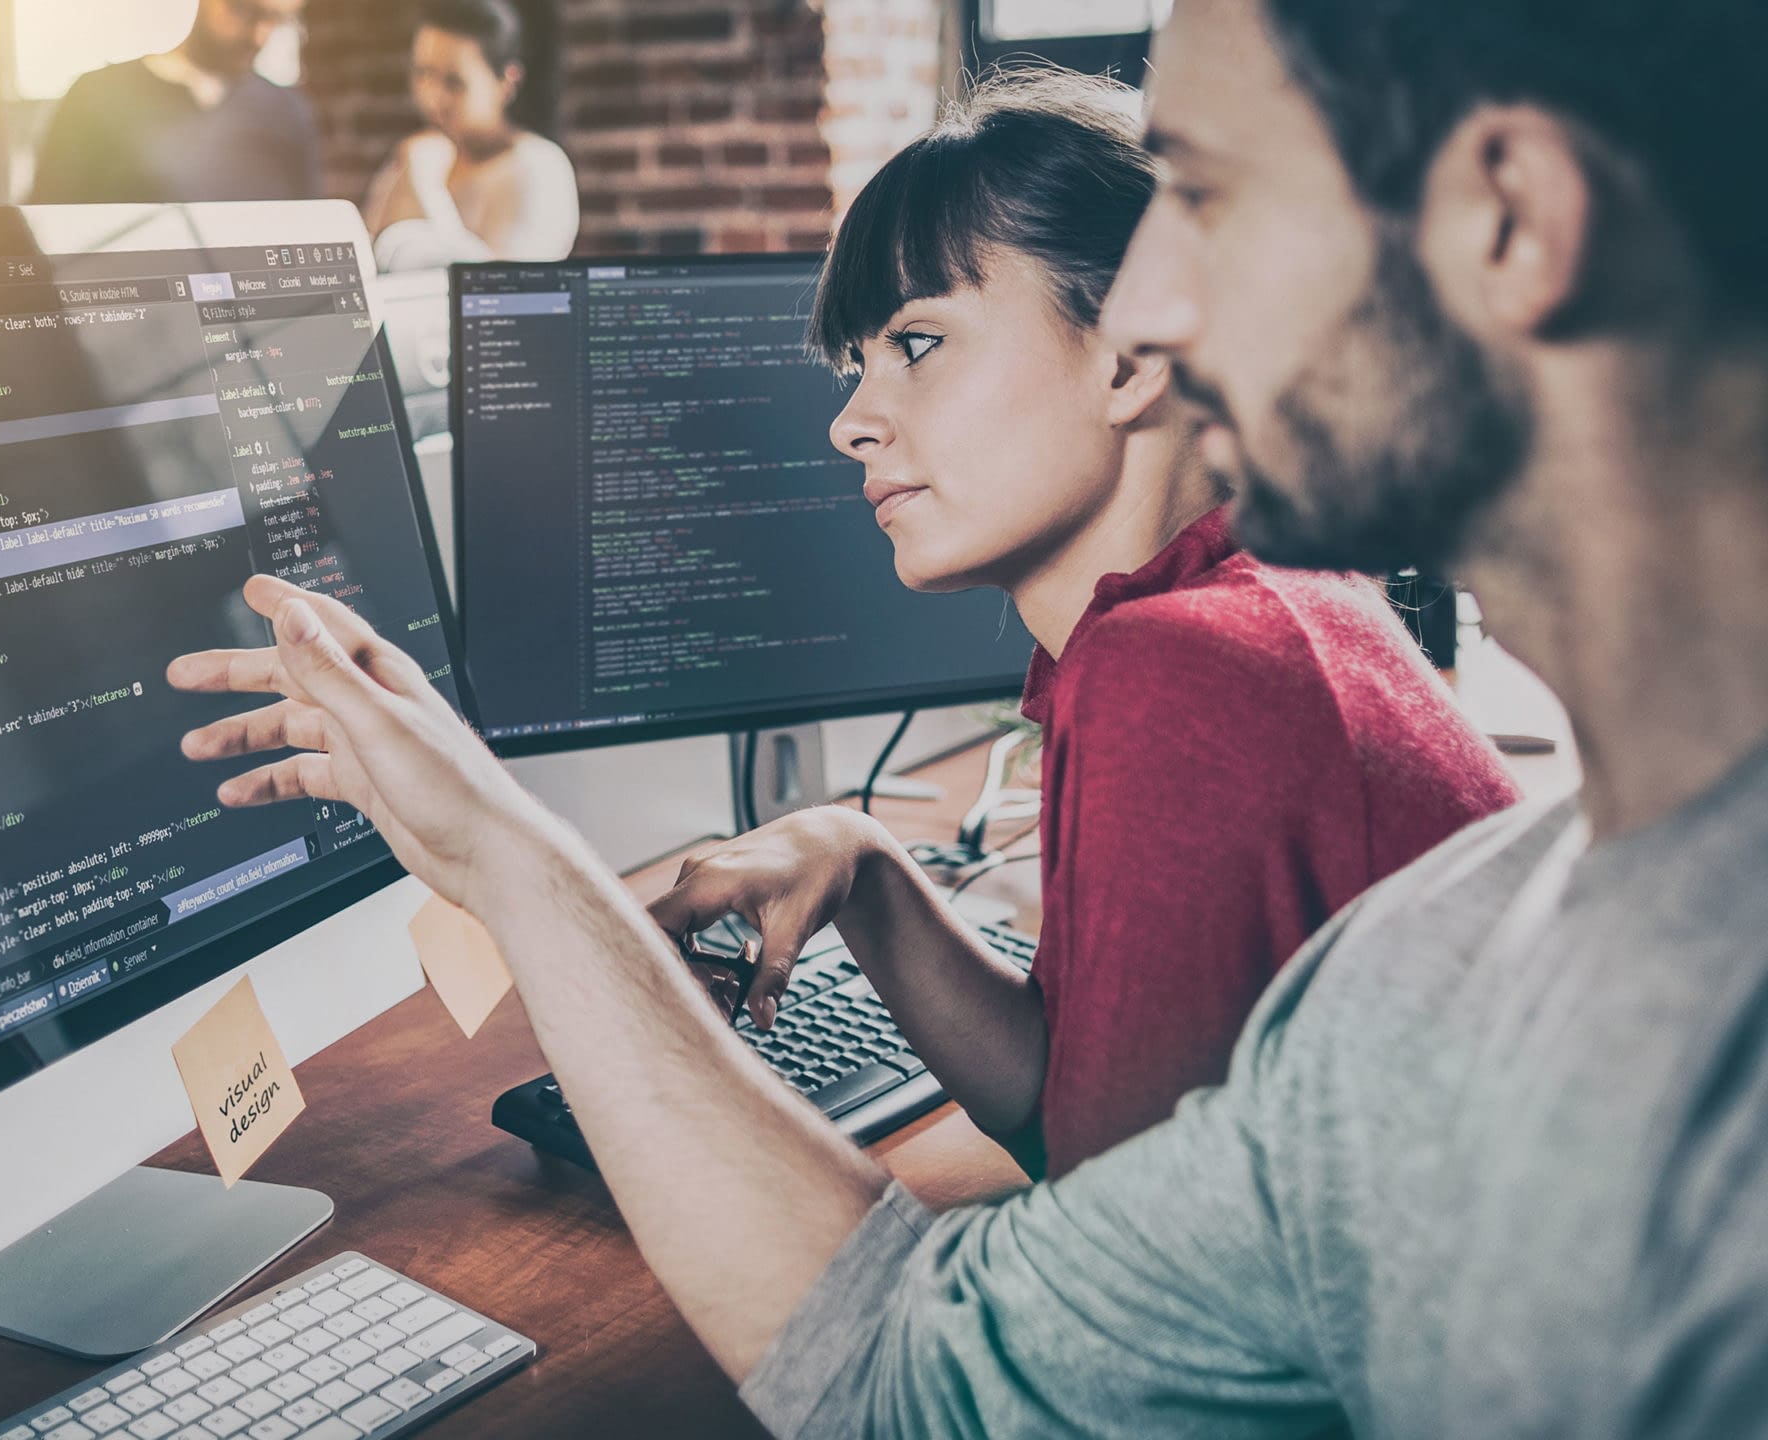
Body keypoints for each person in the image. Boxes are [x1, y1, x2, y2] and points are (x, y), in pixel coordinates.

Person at [168, 0, 1768, 1432]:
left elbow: (925, 1383)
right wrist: (870, 867)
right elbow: (1093, 1215)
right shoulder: (1464, 935)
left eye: (1204, 196)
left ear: (1513, 218)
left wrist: (521, 864)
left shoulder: (1206, 676)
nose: (1155, 312)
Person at [649, 69, 1515, 1181]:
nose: (850, 424)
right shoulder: (1254, 600)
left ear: (1134, 353)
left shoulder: (1183, 669)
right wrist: (865, 865)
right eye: (852, 366)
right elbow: (1071, 1119)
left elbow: (1101, 1245)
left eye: (915, 344)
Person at [26, 0, 317, 207]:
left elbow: (307, 234)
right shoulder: (96, 96)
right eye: (244, 11)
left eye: (277, 19)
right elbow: (46, 226)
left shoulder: (287, 112)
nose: (259, 35)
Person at [362, 0, 578, 267]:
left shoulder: (539, 166)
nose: (432, 97)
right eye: (423, 74)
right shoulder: (422, 152)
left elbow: (504, 292)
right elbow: (366, 263)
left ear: (505, 82)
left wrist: (424, 185)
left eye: (454, 82)